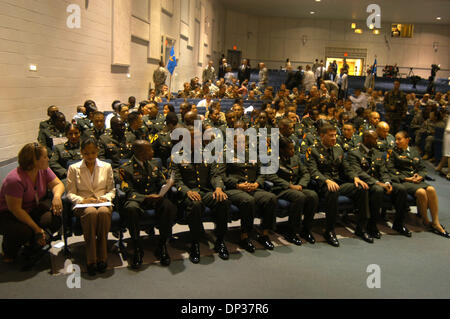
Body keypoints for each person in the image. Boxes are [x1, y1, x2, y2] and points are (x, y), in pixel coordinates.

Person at [306, 124, 373, 246]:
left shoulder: (338, 148)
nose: (334, 138)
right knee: (333, 191)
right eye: (331, 136)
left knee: (362, 188)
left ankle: (361, 228)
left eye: (335, 135)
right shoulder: (313, 150)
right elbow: (312, 170)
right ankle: (329, 230)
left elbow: (347, 167)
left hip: (338, 183)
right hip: (322, 185)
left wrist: (355, 178)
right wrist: (326, 180)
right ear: (322, 136)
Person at [172, 126, 230, 263]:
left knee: (224, 201)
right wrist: (187, 191)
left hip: (206, 191)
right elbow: (176, 180)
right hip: (189, 193)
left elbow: (215, 175)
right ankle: (195, 243)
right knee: (195, 204)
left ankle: (220, 240)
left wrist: (218, 188)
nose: (199, 140)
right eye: (195, 138)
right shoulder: (177, 156)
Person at [0, 143, 64, 263]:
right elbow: (16, 210)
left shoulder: (43, 170)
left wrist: (56, 196)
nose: (48, 159)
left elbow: (58, 184)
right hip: (9, 215)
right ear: (34, 160)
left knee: (55, 218)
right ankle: (9, 248)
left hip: (31, 209)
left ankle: (33, 242)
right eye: (45, 157)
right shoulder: (14, 180)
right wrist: (37, 229)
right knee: (25, 232)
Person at [120, 140, 177, 269]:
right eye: (149, 150)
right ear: (140, 152)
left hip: (155, 198)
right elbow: (127, 190)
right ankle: (137, 247)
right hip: (137, 199)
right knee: (131, 208)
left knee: (168, 206)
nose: (152, 152)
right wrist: (145, 197)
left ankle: (162, 245)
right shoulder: (126, 168)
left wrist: (167, 183)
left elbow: (160, 181)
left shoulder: (153, 164)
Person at [346, 130, 412, 238]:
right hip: (367, 182)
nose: (377, 141)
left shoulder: (377, 152)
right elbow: (359, 172)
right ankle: (372, 225)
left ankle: (399, 224)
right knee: (378, 190)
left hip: (380, 182)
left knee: (401, 189)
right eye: (375, 138)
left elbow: (383, 170)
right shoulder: (354, 152)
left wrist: (387, 182)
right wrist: (377, 182)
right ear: (366, 139)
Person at [66, 138, 115, 275]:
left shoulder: (106, 166)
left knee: (104, 212)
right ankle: (91, 259)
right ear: (81, 153)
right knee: (91, 213)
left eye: (93, 153)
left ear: (97, 152)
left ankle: (103, 257)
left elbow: (112, 190)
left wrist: (104, 198)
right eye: (86, 153)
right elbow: (70, 193)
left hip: (102, 202)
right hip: (83, 205)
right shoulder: (74, 168)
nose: (90, 156)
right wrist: (83, 200)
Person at [389, 131, 449, 238]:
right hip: (404, 181)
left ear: (407, 139)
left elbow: (422, 168)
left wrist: (420, 176)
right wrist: (407, 178)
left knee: (431, 190)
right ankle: (426, 220)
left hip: (416, 180)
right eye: (396, 139)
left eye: (399, 139)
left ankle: (435, 222)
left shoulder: (414, 151)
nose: (396, 142)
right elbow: (391, 171)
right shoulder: (393, 153)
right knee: (421, 192)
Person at [267, 137, 319, 244]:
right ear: (281, 150)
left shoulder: (295, 158)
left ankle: (306, 229)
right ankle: (291, 232)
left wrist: (301, 184)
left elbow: (306, 173)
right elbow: (271, 176)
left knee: (312, 195)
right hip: (280, 189)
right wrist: (290, 186)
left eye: (293, 148)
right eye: (290, 149)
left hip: (296, 187)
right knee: (299, 196)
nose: (293, 151)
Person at [98, 116, 134, 181]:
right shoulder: (104, 139)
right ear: (112, 127)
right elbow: (102, 159)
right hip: (113, 169)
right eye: (119, 126)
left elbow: (135, 155)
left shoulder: (131, 137)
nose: (123, 128)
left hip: (129, 169)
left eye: (123, 125)